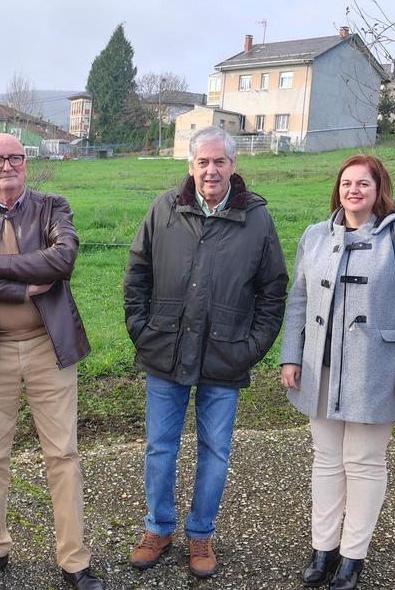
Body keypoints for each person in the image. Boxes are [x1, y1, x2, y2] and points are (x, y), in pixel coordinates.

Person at [123, 126, 289, 578]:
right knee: (160, 448)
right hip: (165, 351)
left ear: (233, 166)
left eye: (219, 162)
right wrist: (143, 331)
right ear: (190, 166)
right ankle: (158, 527)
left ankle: (200, 534)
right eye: (203, 162)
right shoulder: (165, 208)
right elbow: (137, 274)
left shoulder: (256, 217)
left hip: (225, 354)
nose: (211, 170)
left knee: (215, 450)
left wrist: (251, 348)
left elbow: (273, 290)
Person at [0, 133, 102, 590]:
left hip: (48, 348)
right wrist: (22, 288)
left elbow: (64, 258)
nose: (6, 166)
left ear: (26, 163)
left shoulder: (53, 206)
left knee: (64, 454)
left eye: (15, 157)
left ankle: (74, 561)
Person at [279, 154, 395, 589]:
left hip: (377, 370)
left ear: (378, 187)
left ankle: (353, 557)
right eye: (346, 183)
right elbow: (298, 300)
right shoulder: (315, 236)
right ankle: (322, 549)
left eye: (363, 184)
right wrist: (291, 355)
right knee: (326, 461)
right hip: (321, 367)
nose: (353, 191)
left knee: (363, 462)